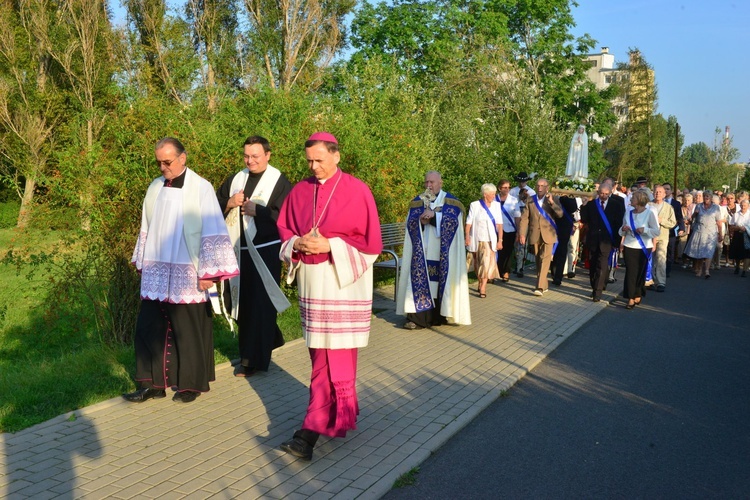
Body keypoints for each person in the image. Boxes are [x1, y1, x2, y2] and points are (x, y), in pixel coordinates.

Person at [276, 132, 382, 460]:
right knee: (318, 353)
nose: (314, 166)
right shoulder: (300, 190)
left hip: (342, 283)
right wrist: (296, 244)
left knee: (335, 355)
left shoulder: (357, 190)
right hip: (312, 282)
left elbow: (371, 244)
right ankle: (338, 417)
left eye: (319, 159)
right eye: (309, 160)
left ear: (336, 155)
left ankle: (310, 430)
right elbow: (284, 230)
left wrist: (330, 245)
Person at [125, 137, 239, 404]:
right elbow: (146, 225)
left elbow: (213, 229)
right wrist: (143, 260)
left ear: (182, 158)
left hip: (188, 268)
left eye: (167, 161)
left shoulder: (201, 188)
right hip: (157, 269)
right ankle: (151, 384)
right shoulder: (155, 186)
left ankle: (190, 385)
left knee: (187, 329)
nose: (163, 167)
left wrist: (209, 273)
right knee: (149, 327)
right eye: (159, 162)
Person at [216, 136, 292, 377]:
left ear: (268, 155)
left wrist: (258, 211)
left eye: (255, 156)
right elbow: (213, 206)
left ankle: (251, 361)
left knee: (259, 303)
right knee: (239, 301)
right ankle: (271, 337)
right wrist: (228, 202)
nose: (250, 161)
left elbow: (287, 217)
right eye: (246, 156)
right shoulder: (235, 179)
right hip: (237, 250)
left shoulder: (279, 181)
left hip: (265, 250)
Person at [397, 171, 471, 329]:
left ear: (440, 183)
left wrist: (435, 216)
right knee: (421, 281)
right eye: (426, 182)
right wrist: (420, 222)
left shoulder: (452, 202)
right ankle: (417, 319)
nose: (429, 185)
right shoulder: (418, 201)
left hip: (442, 253)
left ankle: (439, 316)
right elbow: (410, 224)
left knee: (438, 284)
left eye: (432, 182)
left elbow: (453, 222)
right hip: (422, 252)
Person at [580, 182, 625, 302]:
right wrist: (583, 206)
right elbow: (584, 219)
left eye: (606, 194)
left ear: (610, 193)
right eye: (601, 193)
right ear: (598, 192)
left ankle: (598, 292)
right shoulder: (591, 204)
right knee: (593, 265)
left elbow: (618, 224)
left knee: (602, 264)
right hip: (593, 240)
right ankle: (594, 286)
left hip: (607, 240)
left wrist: (618, 241)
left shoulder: (616, 205)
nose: (603, 196)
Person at [518, 178, 563, 296]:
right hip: (535, 234)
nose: (540, 188)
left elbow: (560, 214)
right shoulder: (530, 200)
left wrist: (552, 203)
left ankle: (539, 287)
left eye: (542, 185)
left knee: (545, 259)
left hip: (548, 234)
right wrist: (522, 234)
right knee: (538, 260)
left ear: (547, 187)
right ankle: (545, 284)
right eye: (538, 185)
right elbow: (524, 218)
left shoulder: (553, 199)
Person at [619, 190, 660, 309]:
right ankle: (630, 297)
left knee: (640, 272)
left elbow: (656, 231)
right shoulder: (628, 212)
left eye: (633, 198)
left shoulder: (650, 213)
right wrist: (624, 228)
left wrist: (645, 230)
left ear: (639, 200)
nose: (630, 200)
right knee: (631, 272)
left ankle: (638, 292)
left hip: (644, 247)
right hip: (629, 246)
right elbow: (620, 230)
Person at [465, 184, 503, 297]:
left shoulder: (496, 205)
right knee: (477, 264)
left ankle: (483, 287)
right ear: (485, 194)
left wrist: (500, 240)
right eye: (492, 194)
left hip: (489, 240)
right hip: (476, 239)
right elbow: (469, 222)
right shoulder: (475, 205)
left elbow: (500, 224)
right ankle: (480, 281)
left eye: (494, 193)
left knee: (486, 264)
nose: (494, 196)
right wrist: (467, 236)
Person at [684, 190, 723, 278]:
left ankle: (707, 271)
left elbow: (719, 222)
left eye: (708, 196)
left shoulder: (716, 207)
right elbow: (692, 218)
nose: (706, 198)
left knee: (709, 251)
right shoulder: (699, 206)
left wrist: (720, 234)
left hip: (711, 232)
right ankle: (699, 269)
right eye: (705, 196)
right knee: (700, 252)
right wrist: (694, 214)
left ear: (711, 198)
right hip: (700, 231)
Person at [647, 185, 676, 292]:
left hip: (662, 236)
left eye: (660, 192)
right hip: (649, 236)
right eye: (656, 191)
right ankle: (650, 280)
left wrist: (661, 221)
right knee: (650, 258)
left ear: (664, 194)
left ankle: (661, 282)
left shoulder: (668, 207)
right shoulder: (648, 205)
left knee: (661, 258)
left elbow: (673, 223)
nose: (657, 193)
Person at [509, 172, 536, 277]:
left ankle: (520, 266)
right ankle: (516, 264)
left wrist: (526, 199)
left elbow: (533, 207)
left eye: (523, 181)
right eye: (520, 181)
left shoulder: (532, 192)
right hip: (514, 217)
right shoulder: (512, 191)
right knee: (516, 244)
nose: (521, 183)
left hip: (525, 218)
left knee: (522, 242)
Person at [494, 179, 521, 283]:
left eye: (508, 187)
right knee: (497, 251)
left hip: (510, 228)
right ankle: (496, 271)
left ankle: (506, 272)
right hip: (496, 229)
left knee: (508, 251)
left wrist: (518, 231)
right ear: (499, 188)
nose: (507, 189)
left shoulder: (513, 200)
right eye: (505, 187)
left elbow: (517, 216)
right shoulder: (494, 199)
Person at [551, 195, 579, 286]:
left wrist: (565, 198)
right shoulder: (553, 197)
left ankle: (557, 276)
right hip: (553, 226)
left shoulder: (570, 199)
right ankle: (555, 273)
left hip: (564, 226)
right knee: (556, 251)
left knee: (561, 251)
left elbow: (573, 208)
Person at [662, 183, 685, 277]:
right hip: (661, 230)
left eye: (667, 189)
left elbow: (679, 217)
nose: (665, 191)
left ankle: (667, 270)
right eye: (664, 189)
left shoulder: (676, 203)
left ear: (671, 191)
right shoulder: (658, 202)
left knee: (670, 250)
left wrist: (682, 228)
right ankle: (660, 268)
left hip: (671, 230)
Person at [728, 198, 750, 276]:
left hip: (747, 236)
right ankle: (737, 267)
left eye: (745, 206)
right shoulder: (736, 214)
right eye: (741, 205)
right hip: (738, 235)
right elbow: (731, 226)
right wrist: (738, 228)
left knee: (747, 253)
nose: (743, 207)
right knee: (737, 252)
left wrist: (745, 228)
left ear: (748, 206)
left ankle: (744, 270)